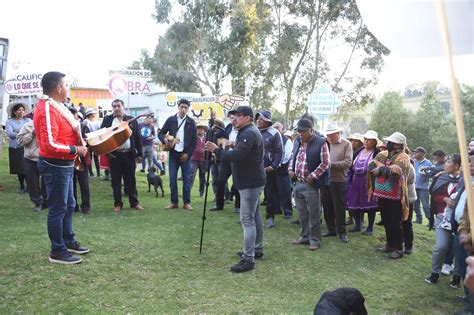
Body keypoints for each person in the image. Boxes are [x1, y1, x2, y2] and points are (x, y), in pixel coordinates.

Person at [34, 71, 89, 264]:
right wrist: (76, 149)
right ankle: (57, 251)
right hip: (55, 165)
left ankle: (68, 240)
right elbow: (49, 144)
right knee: (58, 208)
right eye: (66, 85)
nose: (68, 88)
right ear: (58, 88)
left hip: (63, 164)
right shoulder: (47, 109)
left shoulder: (56, 107)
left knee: (69, 205)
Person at [204, 105, 266, 273]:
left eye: (238, 116)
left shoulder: (249, 133)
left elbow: (238, 156)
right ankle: (257, 249)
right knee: (255, 217)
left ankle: (248, 259)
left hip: (250, 182)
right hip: (251, 181)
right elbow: (240, 151)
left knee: (247, 220)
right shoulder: (247, 132)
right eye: (233, 116)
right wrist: (229, 147)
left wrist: (217, 150)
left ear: (248, 118)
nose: (234, 119)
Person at [289, 118, 330, 250]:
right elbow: (292, 157)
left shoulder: (321, 142)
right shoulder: (297, 141)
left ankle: (315, 240)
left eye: (303, 131)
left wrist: (313, 175)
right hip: (298, 182)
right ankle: (304, 237)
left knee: (314, 213)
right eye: (299, 131)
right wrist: (290, 169)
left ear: (311, 130)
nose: (300, 133)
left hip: (311, 184)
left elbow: (325, 162)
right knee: (301, 212)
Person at [368, 132, 410, 259]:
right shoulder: (384, 154)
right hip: (382, 194)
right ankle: (389, 244)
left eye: (390, 142)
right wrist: (383, 167)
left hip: (396, 196)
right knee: (386, 220)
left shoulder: (404, 157)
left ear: (397, 145)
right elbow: (371, 165)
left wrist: (381, 169)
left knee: (395, 222)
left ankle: (398, 248)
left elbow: (396, 171)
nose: (387, 144)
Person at [425, 154, 462, 285]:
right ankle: (434, 273)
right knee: (441, 246)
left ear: (457, 166)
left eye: (449, 162)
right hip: (442, 217)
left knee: (459, 249)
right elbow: (434, 195)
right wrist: (445, 199)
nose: (445, 165)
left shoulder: (466, 181)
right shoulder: (441, 177)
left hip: (461, 220)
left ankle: (457, 278)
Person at [100, 99, 144, 212]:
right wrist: (107, 153)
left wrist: (140, 154)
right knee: (116, 181)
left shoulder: (131, 120)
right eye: (114, 106)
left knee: (131, 180)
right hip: (114, 156)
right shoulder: (108, 119)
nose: (116, 108)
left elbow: (137, 137)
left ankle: (134, 203)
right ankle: (118, 204)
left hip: (129, 154)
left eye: (118, 106)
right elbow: (101, 136)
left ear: (123, 107)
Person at [158, 99, 197, 210]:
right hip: (173, 154)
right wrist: (164, 139)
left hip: (185, 155)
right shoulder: (171, 120)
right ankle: (174, 202)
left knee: (186, 179)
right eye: (182, 107)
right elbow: (160, 133)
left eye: (186, 107)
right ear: (178, 107)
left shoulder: (191, 122)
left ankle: (187, 202)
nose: (183, 109)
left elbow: (194, 141)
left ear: (188, 109)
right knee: (172, 178)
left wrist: (188, 154)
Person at [322, 124, 353, 243]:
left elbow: (347, 162)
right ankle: (331, 229)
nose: (328, 136)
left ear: (337, 133)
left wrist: (330, 165)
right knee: (327, 205)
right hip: (326, 179)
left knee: (339, 207)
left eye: (331, 134)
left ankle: (342, 231)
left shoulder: (346, 144)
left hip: (339, 180)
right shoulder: (325, 143)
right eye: (327, 134)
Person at [346, 130, 380, 235]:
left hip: (369, 182)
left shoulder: (377, 153)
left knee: (370, 204)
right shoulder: (359, 151)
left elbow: (379, 167)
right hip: (356, 181)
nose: (366, 141)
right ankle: (357, 225)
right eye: (365, 139)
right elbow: (352, 165)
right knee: (355, 202)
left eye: (369, 140)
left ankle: (370, 228)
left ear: (374, 142)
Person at [255, 109, 283, 228]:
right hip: (254, 168)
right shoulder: (254, 132)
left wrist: (273, 166)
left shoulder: (274, 133)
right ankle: (250, 216)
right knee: (253, 193)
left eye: (261, 119)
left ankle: (270, 217)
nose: (258, 121)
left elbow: (279, 151)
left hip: (268, 169)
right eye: (258, 118)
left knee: (270, 194)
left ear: (267, 121)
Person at [16, 116, 47, 212]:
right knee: (32, 182)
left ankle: (46, 202)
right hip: (31, 158)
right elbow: (20, 141)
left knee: (47, 181)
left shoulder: (50, 125)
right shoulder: (27, 126)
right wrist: (31, 134)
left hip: (47, 157)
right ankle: (37, 202)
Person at [6, 102, 31, 193]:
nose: (21, 111)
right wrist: (22, 132)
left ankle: (29, 185)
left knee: (27, 167)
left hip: (26, 147)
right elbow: (10, 134)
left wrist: (18, 131)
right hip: (15, 147)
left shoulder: (28, 121)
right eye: (19, 110)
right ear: (14, 112)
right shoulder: (10, 121)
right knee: (18, 167)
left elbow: (31, 132)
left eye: (22, 110)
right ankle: (21, 186)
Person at [70, 107, 91, 214]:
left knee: (84, 184)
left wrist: (86, 141)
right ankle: (73, 206)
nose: (73, 116)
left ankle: (86, 206)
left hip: (82, 159)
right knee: (71, 185)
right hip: (69, 159)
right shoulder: (64, 127)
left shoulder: (83, 126)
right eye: (71, 113)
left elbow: (90, 139)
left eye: (75, 114)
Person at [273, 122, 294, 219]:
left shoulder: (287, 141)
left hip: (283, 169)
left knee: (285, 191)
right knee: (274, 190)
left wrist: (275, 163)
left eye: (278, 127)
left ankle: (288, 211)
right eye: (274, 127)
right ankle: (276, 209)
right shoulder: (272, 139)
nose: (276, 129)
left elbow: (286, 156)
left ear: (282, 129)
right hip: (272, 169)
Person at [346, 132, 365, 226]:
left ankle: (360, 220)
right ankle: (351, 217)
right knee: (350, 197)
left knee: (360, 199)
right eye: (351, 140)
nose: (352, 142)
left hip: (359, 177)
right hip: (350, 176)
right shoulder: (350, 150)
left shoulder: (362, 151)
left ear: (360, 142)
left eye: (355, 141)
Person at [413, 147, 433, 224]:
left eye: (416, 152)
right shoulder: (413, 162)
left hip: (423, 187)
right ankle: (419, 219)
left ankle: (431, 221)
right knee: (416, 205)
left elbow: (431, 174)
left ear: (422, 154)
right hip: (414, 186)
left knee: (425, 205)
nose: (415, 153)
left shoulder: (428, 163)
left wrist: (426, 173)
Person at [189, 122, 208, 198]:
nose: (200, 130)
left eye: (201, 129)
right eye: (198, 128)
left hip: (203, 160)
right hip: (193, 159)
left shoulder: (207, 139)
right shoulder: (193, 137)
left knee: (203, 177)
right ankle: (188, 191)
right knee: (191, 176)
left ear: (204, 130)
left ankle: (201, 193)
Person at [403, 156, 417, 255]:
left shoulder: (409, 166)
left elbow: (408, 180)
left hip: (408, 198)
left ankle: (408, 245)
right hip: (396, 198)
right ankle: (394, 243)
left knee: (406, 222)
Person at [83, 108, 101, 177]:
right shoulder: (86, 121)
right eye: (93, 113)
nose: (95, 114)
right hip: (88, 141)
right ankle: (91, 173)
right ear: (90, 114)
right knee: (89, 157)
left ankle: (98, 173)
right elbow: (84, 131)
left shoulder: (97, 121)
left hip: (96, 141)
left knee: (96, 157)